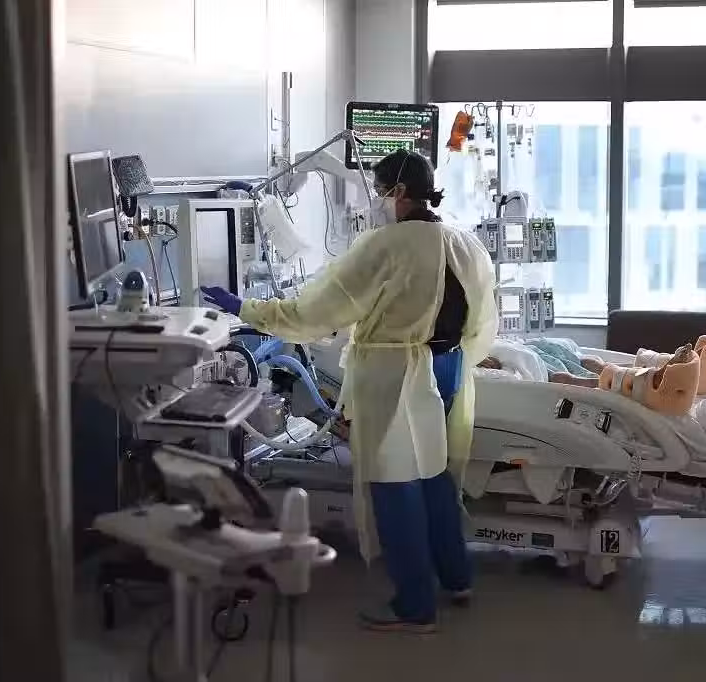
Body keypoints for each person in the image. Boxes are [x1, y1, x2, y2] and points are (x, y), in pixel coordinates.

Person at [201, 149, 498, 634]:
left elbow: (315, 313)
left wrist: (246, 308)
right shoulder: (464, 242)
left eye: (378, 190)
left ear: (399, 191)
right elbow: (484, 316)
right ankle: (456, 577)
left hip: (396, 375)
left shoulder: (388, 245)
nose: (374, 200)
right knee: (432, 473)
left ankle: (415, 607)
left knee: (395, 481)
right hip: (446, 366)